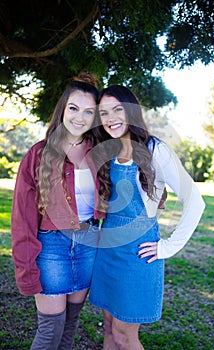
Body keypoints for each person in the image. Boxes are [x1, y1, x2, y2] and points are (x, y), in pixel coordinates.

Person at [89, 85, 206, 350]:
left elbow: (195, 201)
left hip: (137, 255)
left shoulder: (156, 150)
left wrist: (168, 247)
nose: (110, 119)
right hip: (107, 253)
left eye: (117, 110)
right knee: (108, 329)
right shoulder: (109, 150)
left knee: (124, 335)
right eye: (104, 113)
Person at [11, 71, 105, 350]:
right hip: (51, 247)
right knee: (50, 332)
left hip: (89, 244)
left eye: (89, 112)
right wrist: (26, 268)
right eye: (74, 108)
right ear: (62, 109)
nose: (80, 117)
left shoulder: (100, 151)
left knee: (69, 329)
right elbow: (22, 218)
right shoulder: (38, 154)